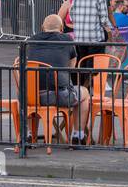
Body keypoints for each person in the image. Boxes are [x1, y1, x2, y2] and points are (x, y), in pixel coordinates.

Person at [24, 14, 91, 144]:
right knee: (84, 93)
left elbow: (27, 64)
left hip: (34, 97)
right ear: (61, 28)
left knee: (23, 94)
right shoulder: (67, 40)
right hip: (61, 95)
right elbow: (71, 68)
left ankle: (28, 133)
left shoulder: (31, 41)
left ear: (43, 27)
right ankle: (78, 134)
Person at [69, 0, 116, 70]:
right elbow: (104, 18)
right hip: (95, 38)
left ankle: (83, 85)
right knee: (95, 67)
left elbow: (71, 14)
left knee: (82, 63)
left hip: (80, 37)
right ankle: (91, 85)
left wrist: (80, 23)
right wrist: (110, 33)